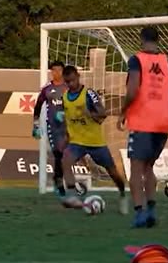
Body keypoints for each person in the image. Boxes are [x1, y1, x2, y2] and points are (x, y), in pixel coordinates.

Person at [119, 26, 168, 229]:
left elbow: (132, 90)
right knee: (149, 167)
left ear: (141, 39)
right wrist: (164, 109)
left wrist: (123, 111)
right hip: (163, 123)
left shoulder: (136, 60)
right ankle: (152, 211)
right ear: (158, 39)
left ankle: (140, 213)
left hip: (142, 121)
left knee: (137, 168)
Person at [55, 65, 130, 214]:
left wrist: (88, 113)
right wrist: (65, 138)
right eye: (67, 82)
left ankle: (122, 194)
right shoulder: (64, 98)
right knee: (65, 162)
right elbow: (68, 120)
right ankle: (72, 195)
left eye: (72, 80)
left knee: (113, 172)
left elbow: (102, 115)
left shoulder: (89, 94)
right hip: (77, 142)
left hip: (96, 143)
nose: (70, 84)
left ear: (78, 76)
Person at [32, 61, 68, 197]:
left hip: (70, 127)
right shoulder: (47, 89)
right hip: (54, 128)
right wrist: (35, 124)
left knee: (69, 155)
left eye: (59, 70)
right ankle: (59, 183)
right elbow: (37, 106)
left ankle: (66, 180)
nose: (56, 73)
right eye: (54, 70)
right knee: (59, 154)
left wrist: (66, 114)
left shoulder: (69, 87)